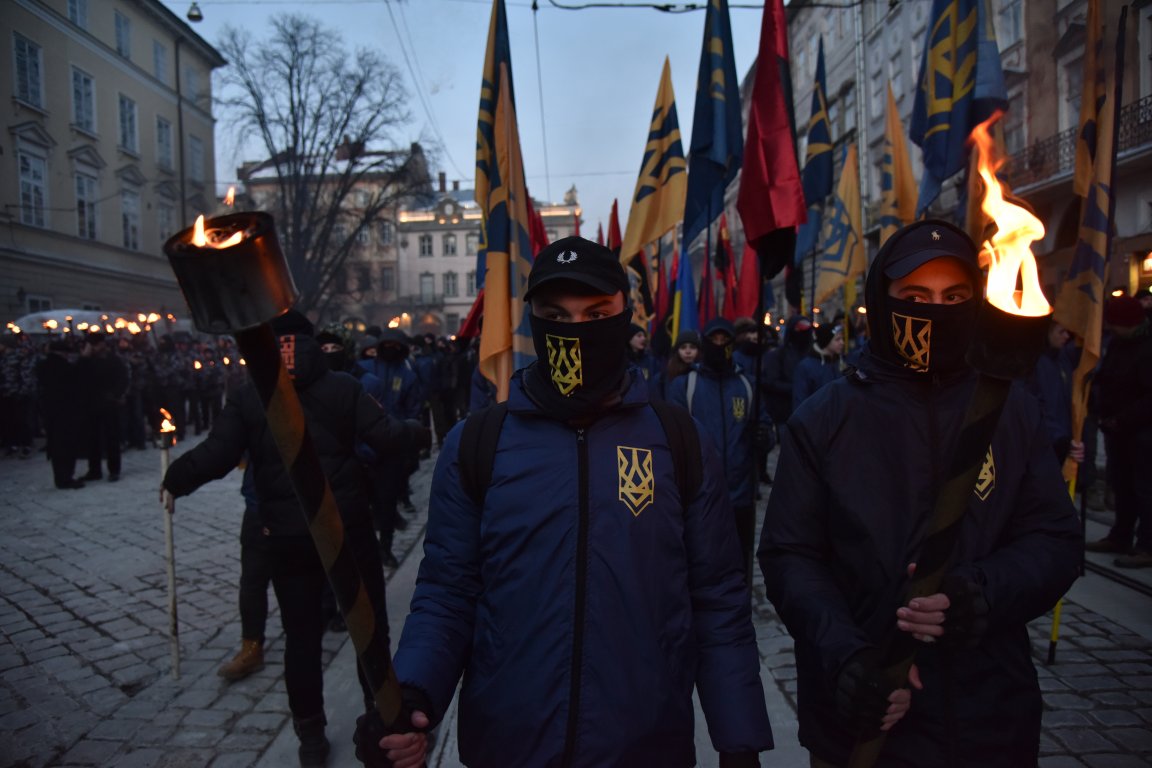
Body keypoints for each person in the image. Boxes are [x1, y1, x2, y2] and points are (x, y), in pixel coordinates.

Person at [379, 235, 773, 768]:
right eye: (556, 315)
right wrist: (414, 694)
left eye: (597, 313)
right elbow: (448, 594)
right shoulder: (476, 444)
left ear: (625, 316)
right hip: (510, 744)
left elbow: (719, 600)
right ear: (533, 322)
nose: (577, 330)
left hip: (645, 743)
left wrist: (739, 737)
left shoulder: (679, 440)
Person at [758, 220, 1082, 767]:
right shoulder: (826, 420)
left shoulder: (1012, 410)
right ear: (883, 302)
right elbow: (791, 556)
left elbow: (1054, 540)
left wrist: (979, 595)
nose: (936, 309)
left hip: (990, 717)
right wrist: (847, 658)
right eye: (915, 296)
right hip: (866, 717)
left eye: (954, 296)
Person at [160, 310, 429, 767]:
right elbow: (385, 438)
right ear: (309, 341)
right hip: (346, 529)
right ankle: (380, 716)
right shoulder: (342, 386)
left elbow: (218, 454)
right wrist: (419, 432)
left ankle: (310, 734)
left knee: (300, 637)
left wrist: (176, 479)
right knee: (370, 629)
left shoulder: (251, 395)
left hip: (287, 537)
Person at [668, 317, 774, 586]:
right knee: (701, 565)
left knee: (738, 566)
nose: (719, 345)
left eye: (724, 340)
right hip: (699, 495)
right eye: (713, 340)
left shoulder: (747, 385)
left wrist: (764, 437)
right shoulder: (685, 386)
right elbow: (672, 438)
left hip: (740, 495)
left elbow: (765, 426)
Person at [1084, 295, 1152, 568]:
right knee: (1122, 485)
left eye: (1115, 325)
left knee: (1145, 489)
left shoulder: (1147, 347)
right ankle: (1120, 535)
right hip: (1117, 429)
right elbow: (1108, 375)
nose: (1111, 329)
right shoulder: (1119, 343)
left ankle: (1147, 544)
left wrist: (1123, 419)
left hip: (1143, 432)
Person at [37, 338, 87, 489]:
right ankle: (66, 478)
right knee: (66, 446)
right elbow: (75, 381)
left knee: (56, 446)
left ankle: (60, 477)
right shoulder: (63, 367)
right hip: (65, 412)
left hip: (51, 412)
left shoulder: (43, 366)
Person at [791, 322, 845, 409]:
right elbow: (800, 401)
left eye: (842, 339)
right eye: (837, 339)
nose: (842, 343)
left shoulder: (840, 362)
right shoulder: (806, 367)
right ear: (825, 341)